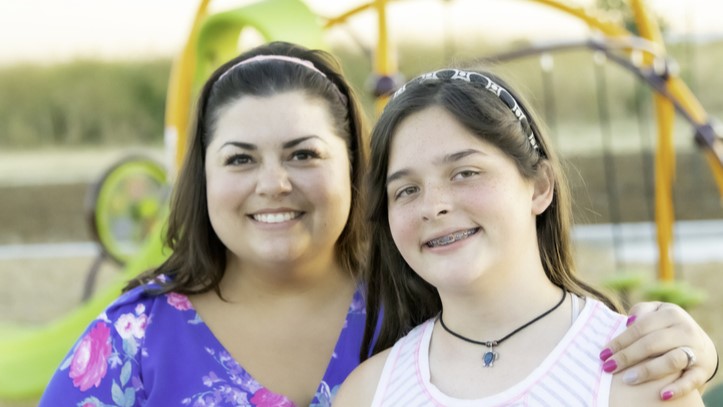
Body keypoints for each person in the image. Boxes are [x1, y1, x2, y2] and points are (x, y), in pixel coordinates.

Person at [38, 43, 715, 406]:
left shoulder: (414, 295)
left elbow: (535, 323)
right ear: (203, 177)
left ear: (355, 174)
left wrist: (686, 348)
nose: (274, 183)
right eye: (239, 158)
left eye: (304, 154)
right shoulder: (132, 341)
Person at [334, 68, 712, 406]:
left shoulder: (637, 372)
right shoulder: (368, 392)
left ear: (540, 187)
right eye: (406, 190)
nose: (433, 207)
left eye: (465, 173)